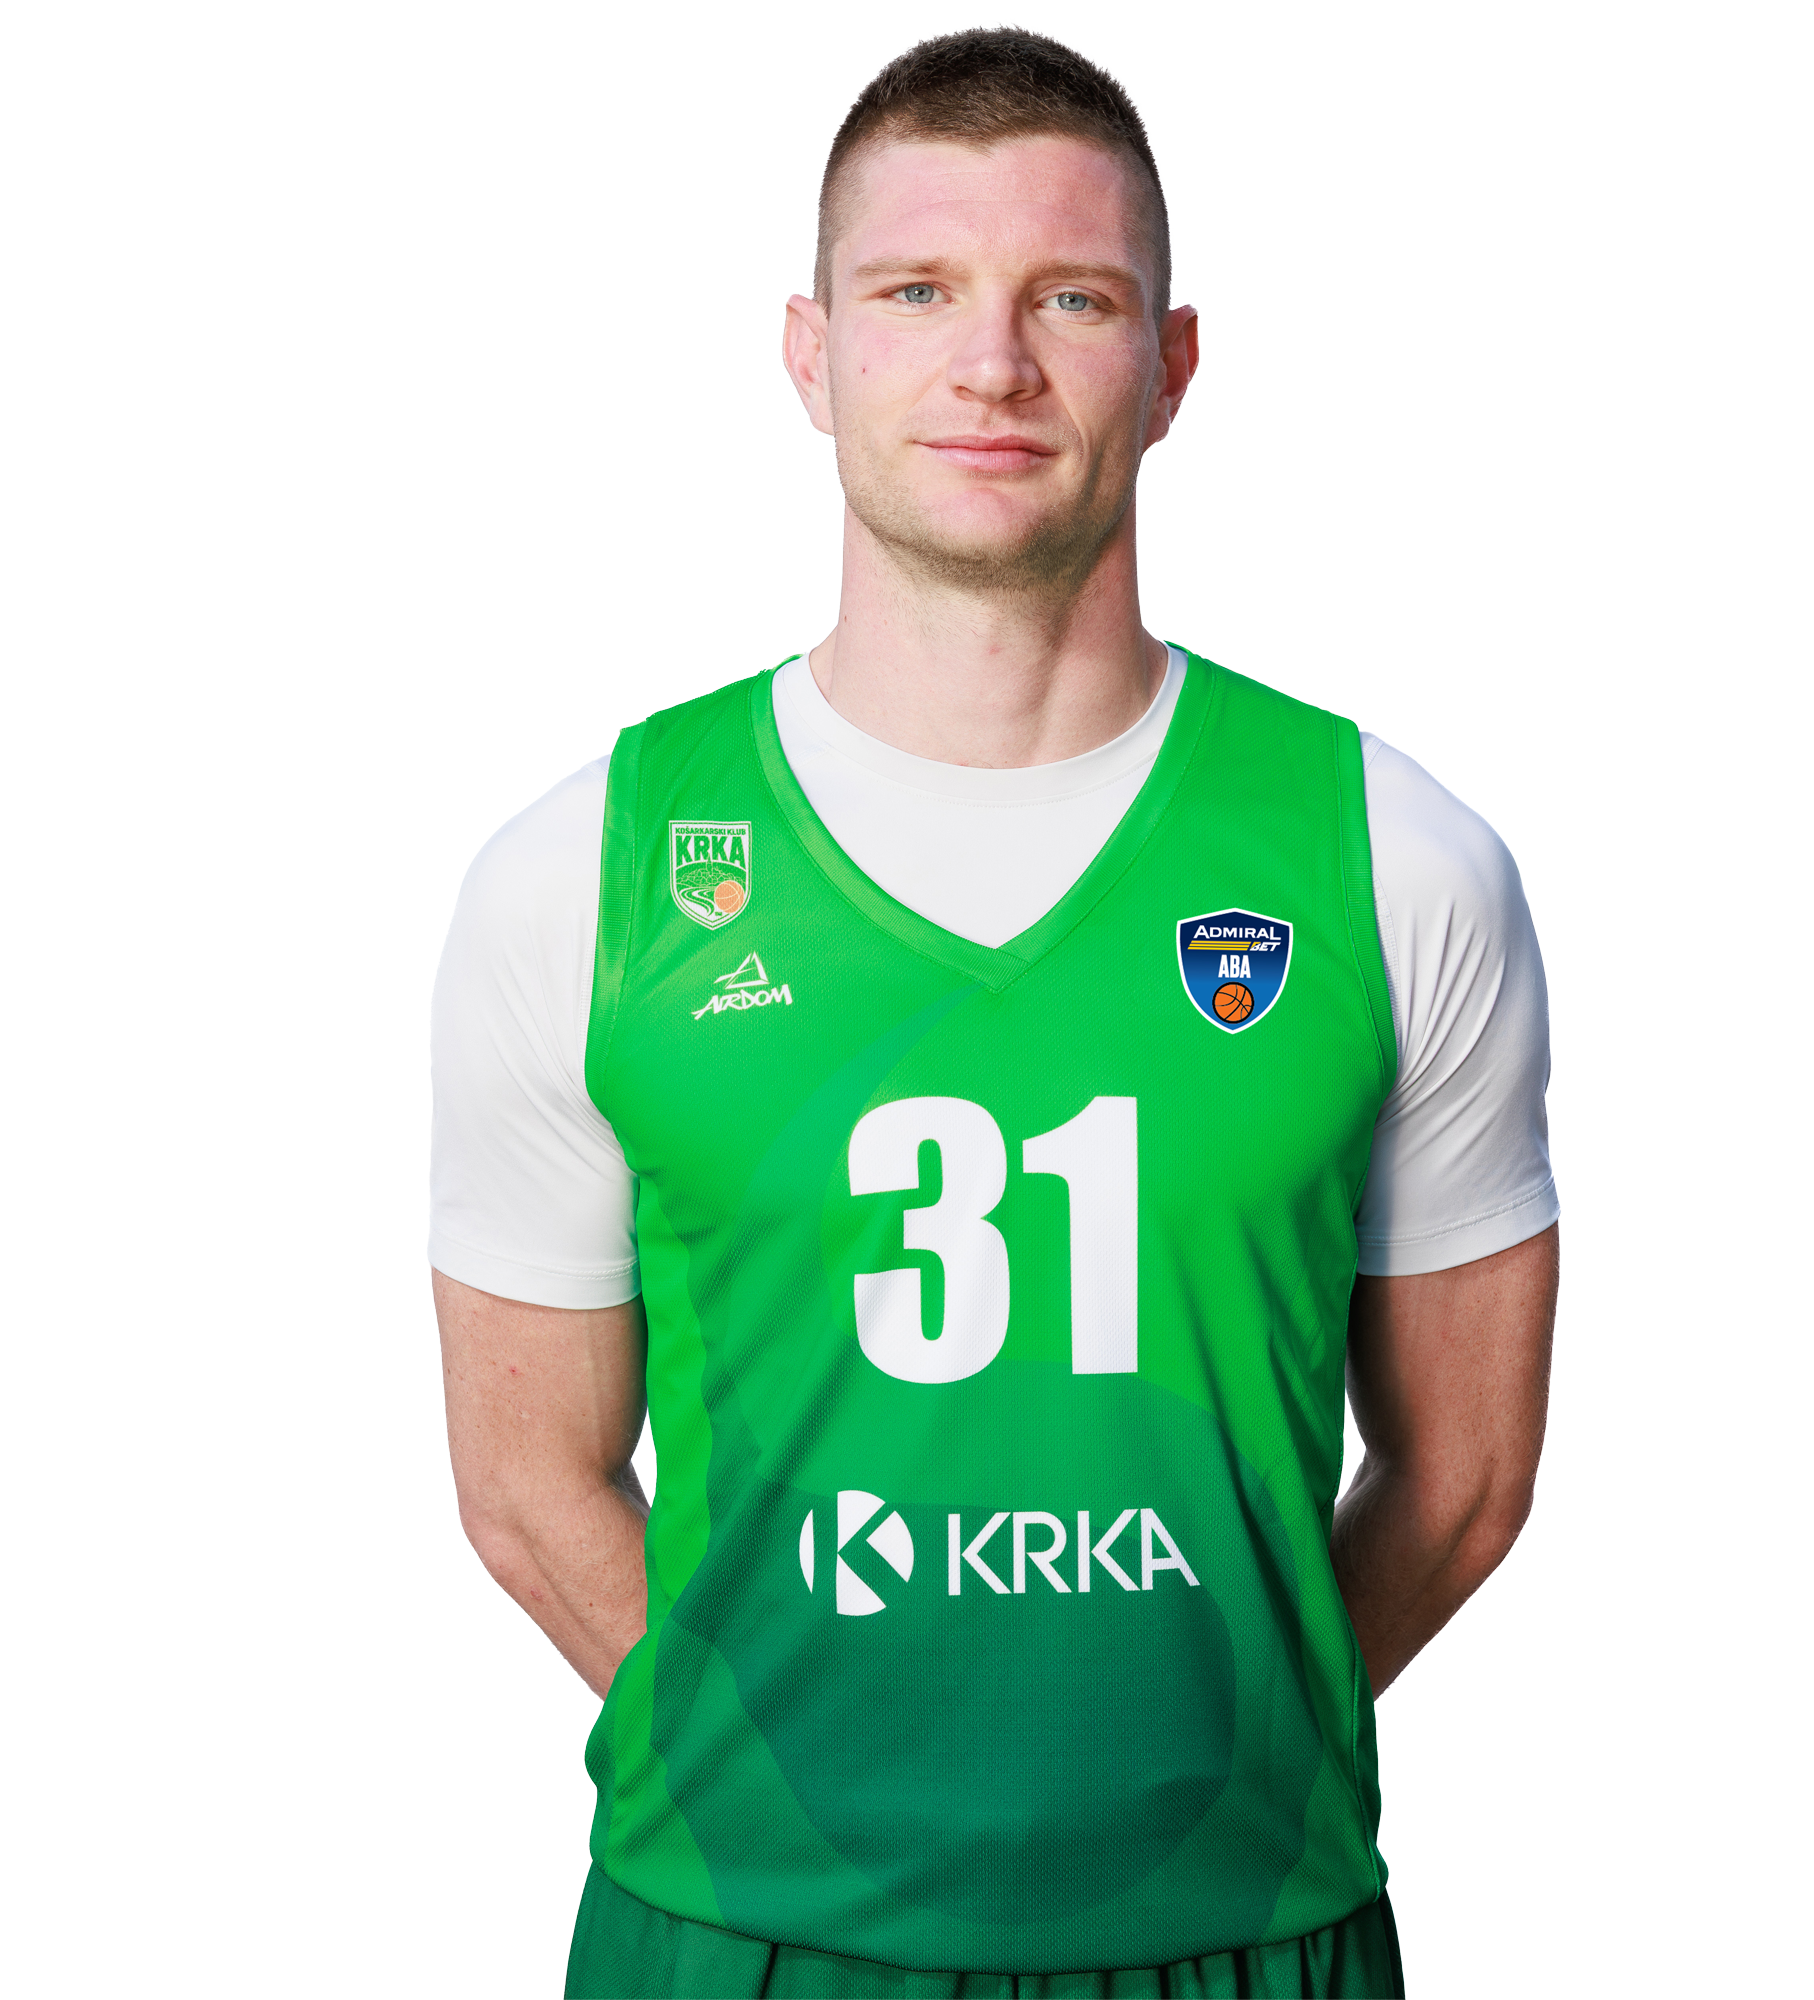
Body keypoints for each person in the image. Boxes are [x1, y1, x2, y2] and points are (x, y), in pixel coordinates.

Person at [430, 26, 1559, 1999]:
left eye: (1072, 299)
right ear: (808, 354)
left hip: (1241, 1927)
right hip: (740, 1934)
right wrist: (809, 1770)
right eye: (916, 292)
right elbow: (527, 1489)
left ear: (1173, 363)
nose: (993, 364)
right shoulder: (584, 874)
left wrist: (1194, 1754)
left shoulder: (1396, 860)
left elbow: (1460, 1486)